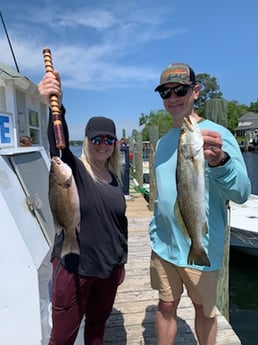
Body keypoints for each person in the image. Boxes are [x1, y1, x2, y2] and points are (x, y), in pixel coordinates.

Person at [149, 62, 251, 345]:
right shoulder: (163, 143)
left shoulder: (218, 135)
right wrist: (155, 229)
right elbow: (163, 196)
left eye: (179, 90)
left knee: (204, 311)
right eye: (165, 93)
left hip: (201, 245)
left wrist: (220, 162)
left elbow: (242, 192)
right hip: (164, 247)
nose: (172, 98)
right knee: (166, 305)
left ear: (195, 91)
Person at [38, 71, 128, 345]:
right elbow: (58, 145)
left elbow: (119, 224)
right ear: (87, 141)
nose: (102, 144)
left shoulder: (114, 179)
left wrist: (121, 262)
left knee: (97, 329)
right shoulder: (73, 170)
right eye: (96, 139)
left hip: (108, 268)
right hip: (74, 266)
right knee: (63, 337)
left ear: (114, 145)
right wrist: (55, 106)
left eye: (108, 140)